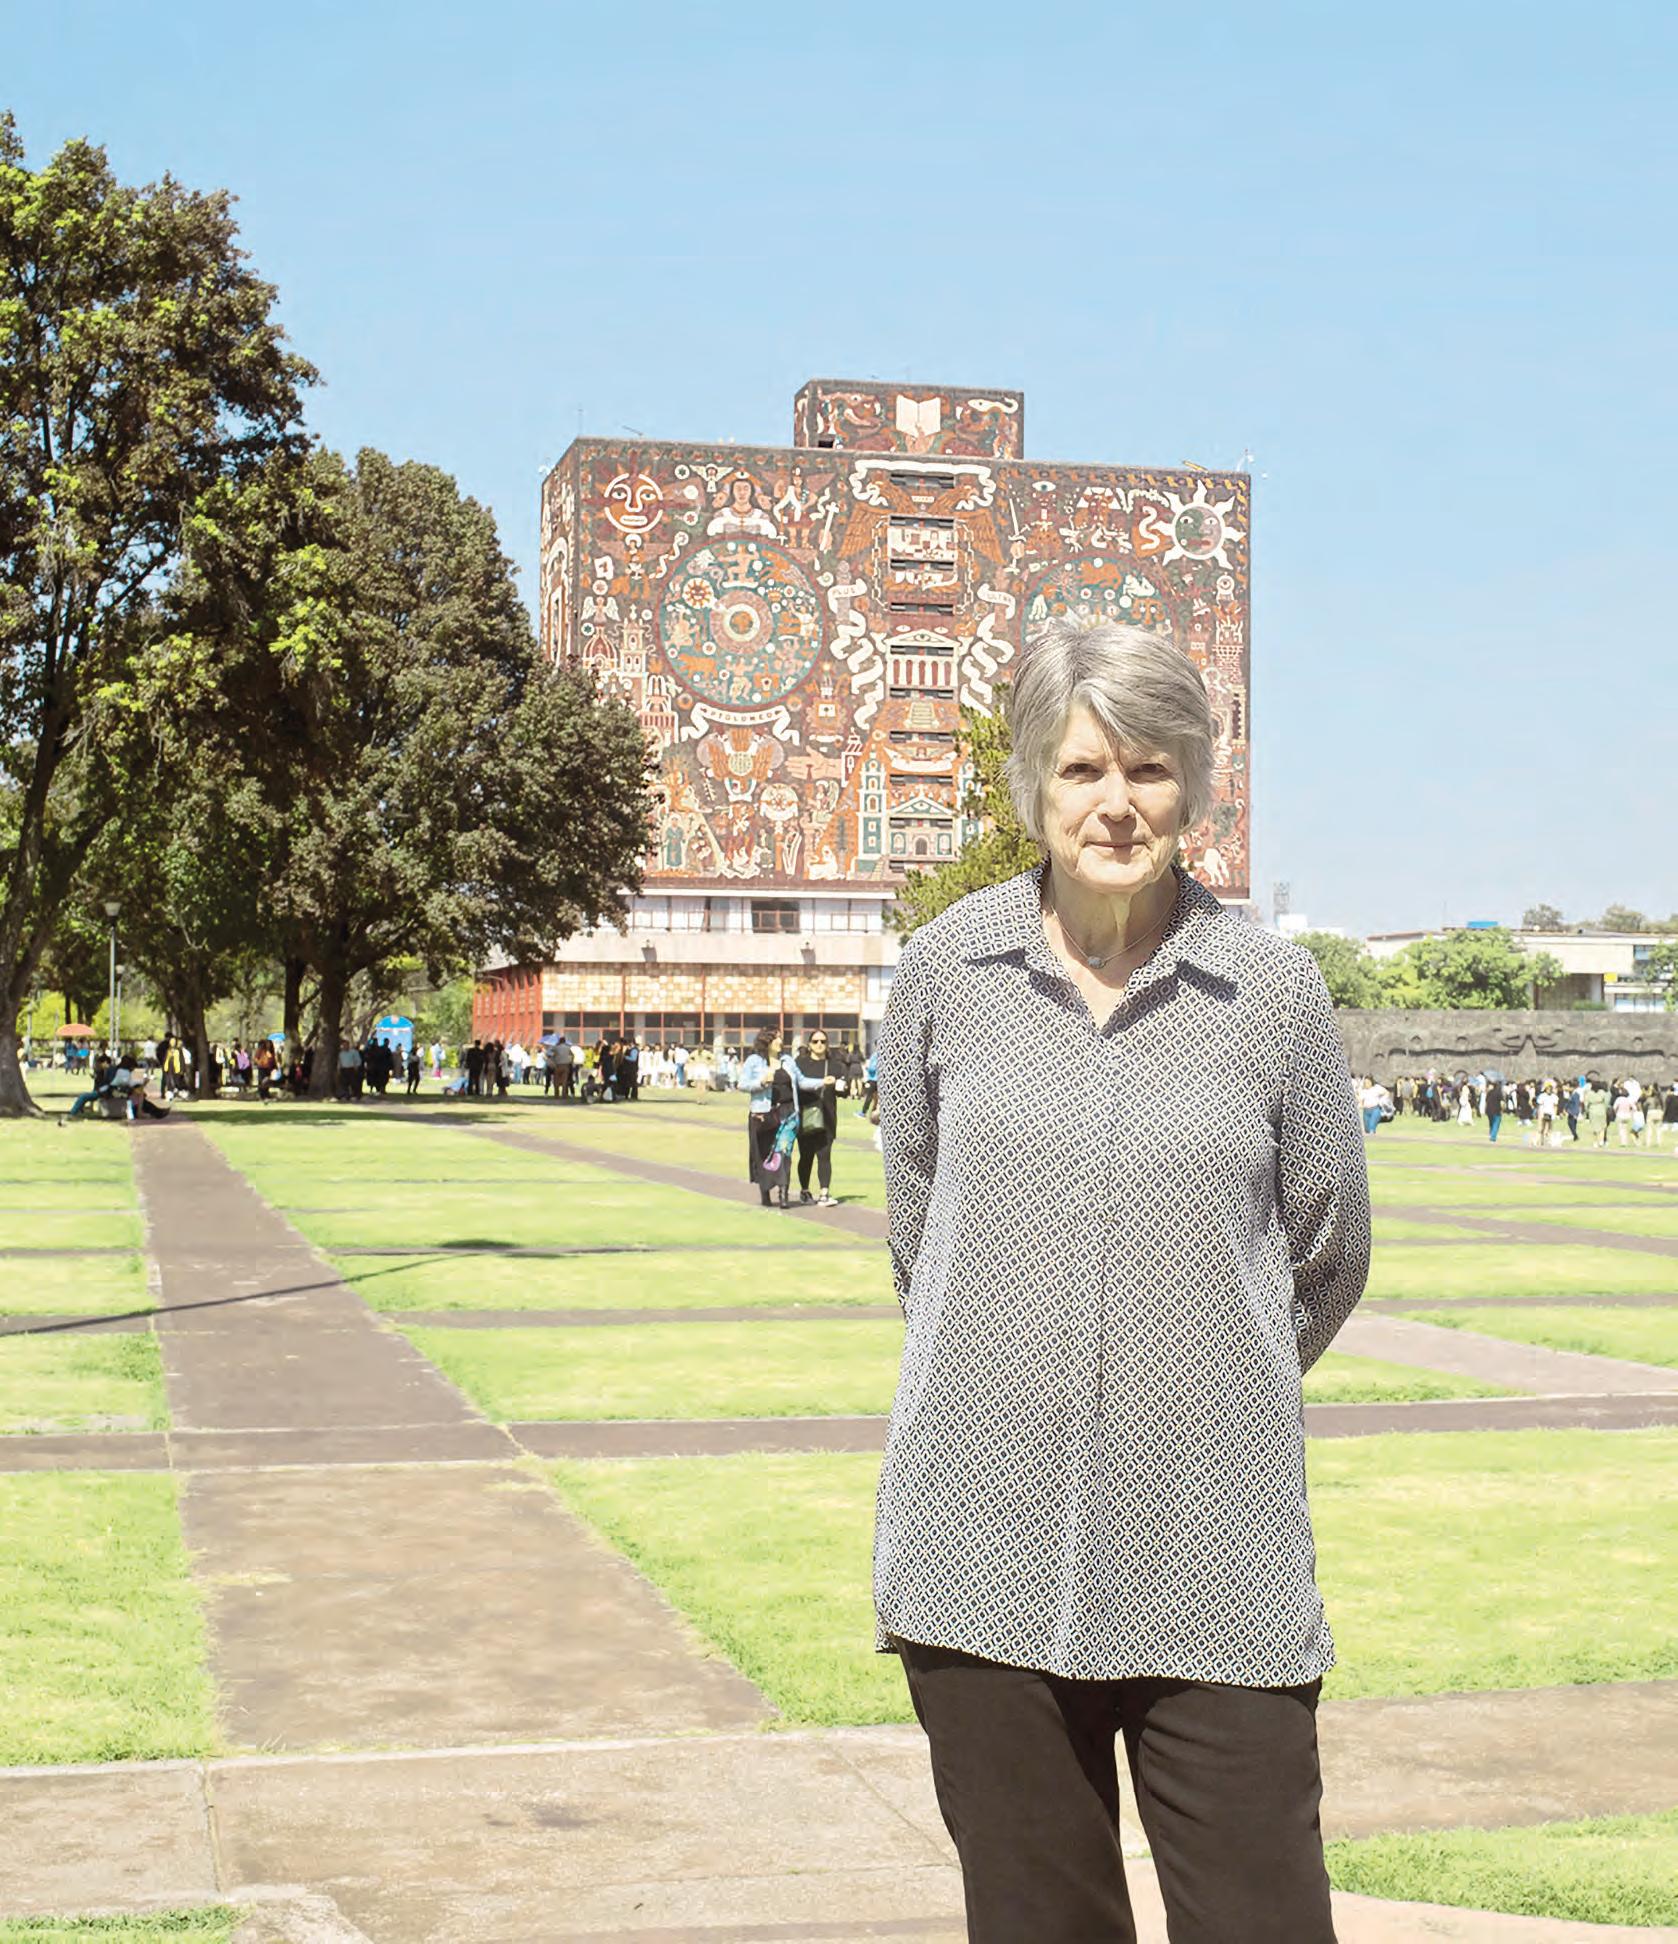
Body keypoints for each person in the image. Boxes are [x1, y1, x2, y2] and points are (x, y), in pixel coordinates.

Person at [873, 618, 1369, 1941]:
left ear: (1193, 786)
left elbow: (1325, 1253)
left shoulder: (1270, 992)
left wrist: (1203, 1373)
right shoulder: (945, 973)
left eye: (1148, 770)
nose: (1115, 804)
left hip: (1216, 1550)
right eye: (1082, 768)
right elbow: (923, 1239)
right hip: (981, 1552)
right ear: (1033, 783)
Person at [737, 1028, 792, 1207]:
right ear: (767, 1041)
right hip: (761, 1114)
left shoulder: (787, 1060)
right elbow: (742, 1084)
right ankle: (765, 1193)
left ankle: (783, 1194)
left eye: (781, 1038)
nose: (780, 1041)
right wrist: (760, 1082)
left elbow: (799, 1080)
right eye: (776, 1038)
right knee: (762, 1155)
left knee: (783, 1153)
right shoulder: (754, 1061)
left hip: (784, 1113)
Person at [792, 1028, 840, 1204]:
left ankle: (824, 1193)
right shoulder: (800, 1063)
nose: (819, 1044)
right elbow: (795, 1085)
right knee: (806, 1156)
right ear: (809, 1044)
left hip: (827, 1115)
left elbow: (842, 1090)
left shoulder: (834, 1065)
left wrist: (842, 1086)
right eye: (815, 1041)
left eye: (823, 1041)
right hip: (806, 1114)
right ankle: (805, 1190)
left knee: (824, 1155)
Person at [1484, 1075, 1505, 1143]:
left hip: (1489, 1110)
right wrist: (1502, 1109)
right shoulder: (1499, 1093)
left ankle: (1491, 1134)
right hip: (1497, 1110)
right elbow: (1502, 1103)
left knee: (1491, 1123)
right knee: (1496, 1124)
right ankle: (1493, 1138)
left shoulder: (1489, 1092)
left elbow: (1486, 1101)